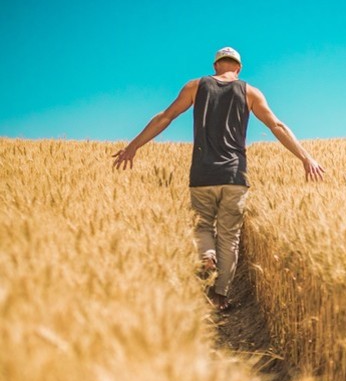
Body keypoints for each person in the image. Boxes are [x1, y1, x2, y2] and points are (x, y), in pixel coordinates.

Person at [113, 47, 325, 311]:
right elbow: (277, 126)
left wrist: (133, 146)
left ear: (215, 66)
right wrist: (306, 158)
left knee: (202, 227)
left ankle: (207, 255)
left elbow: (165, 117)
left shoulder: (195, 86)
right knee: (229, 236)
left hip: (202, 173)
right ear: (238, 68)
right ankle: (220, 296)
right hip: (235, 176)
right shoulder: (250, 92)